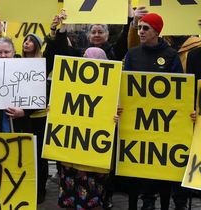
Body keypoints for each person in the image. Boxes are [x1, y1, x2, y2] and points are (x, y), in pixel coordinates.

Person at [124, 13, 184, 210]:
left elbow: (179, 90)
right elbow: (126, 87)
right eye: (140, 27)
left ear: (157, 31)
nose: (140, 31)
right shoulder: (132, 54)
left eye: (145, 28)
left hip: (162, 122)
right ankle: (143, 202)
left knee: (161, 166)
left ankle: (164, 203)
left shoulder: (171, 55)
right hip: (137, 121)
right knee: (137, 167)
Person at [57, 47, 114, 210]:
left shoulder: (112, 85)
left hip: (93, 152)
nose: (84, 60)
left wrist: (115, 116)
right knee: (70, 189)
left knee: (91, 192)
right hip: (73, 151)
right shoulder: (71, 81)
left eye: (88, 57)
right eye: (84, 56)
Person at [20, 33, 49, 204]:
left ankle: (40, 190)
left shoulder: (44, 63)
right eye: (25, 40)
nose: (27, 43)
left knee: (39, 156)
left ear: (38, 46)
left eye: (31, 41)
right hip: (20, 117)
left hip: (39, 117)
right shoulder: (16, 62)